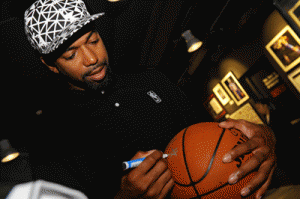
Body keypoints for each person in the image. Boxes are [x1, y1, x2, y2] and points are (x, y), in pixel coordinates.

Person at [23, 0, 277, 198]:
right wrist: (125, 198)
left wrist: (262, 137)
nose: (92, 58)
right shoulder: (50, 141)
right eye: (71, 55)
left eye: (93, 40)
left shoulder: (152, 80)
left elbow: (214, 137)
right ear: (51, 65)